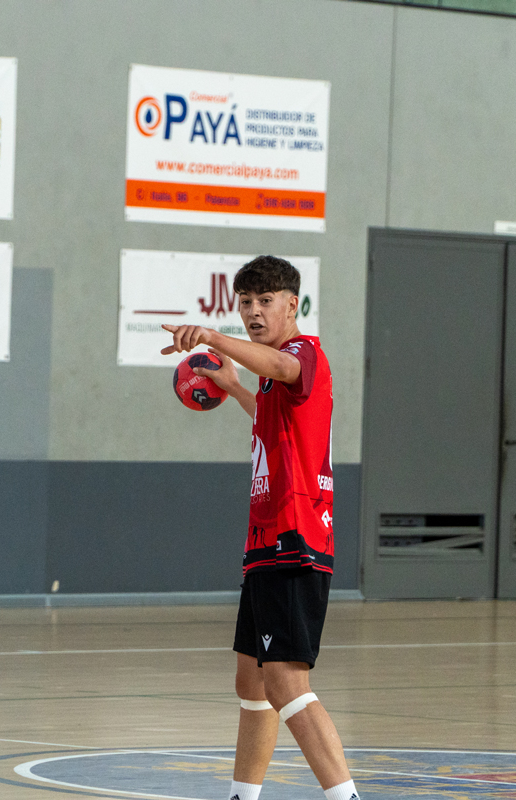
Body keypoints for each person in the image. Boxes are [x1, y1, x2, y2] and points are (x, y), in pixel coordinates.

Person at [161, 255, 357, 800]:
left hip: (294, 540)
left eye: (264, 301)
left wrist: (215, 339)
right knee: (252, 685)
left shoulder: (303, 354)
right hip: (264, 542)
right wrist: (234, 385)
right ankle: (241, 797)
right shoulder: (272, 383)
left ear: (291, 305)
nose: (252, 311)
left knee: (287, 682)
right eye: (244, 302)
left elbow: (281, 369)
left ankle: (346, 797)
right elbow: (273, 417)